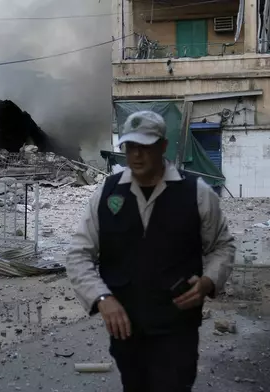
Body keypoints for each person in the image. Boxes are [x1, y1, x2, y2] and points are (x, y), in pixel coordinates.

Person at [66, 110, 235, 392]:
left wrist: (208, 281)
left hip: (176, 330)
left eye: (145, 147)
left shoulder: (197, 193)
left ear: (163, 146)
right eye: (131, 147)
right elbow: (78, 254)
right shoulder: (107, 193)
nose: (137, 156)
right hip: (126, 333)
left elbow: (222, 245)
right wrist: (102, 297)